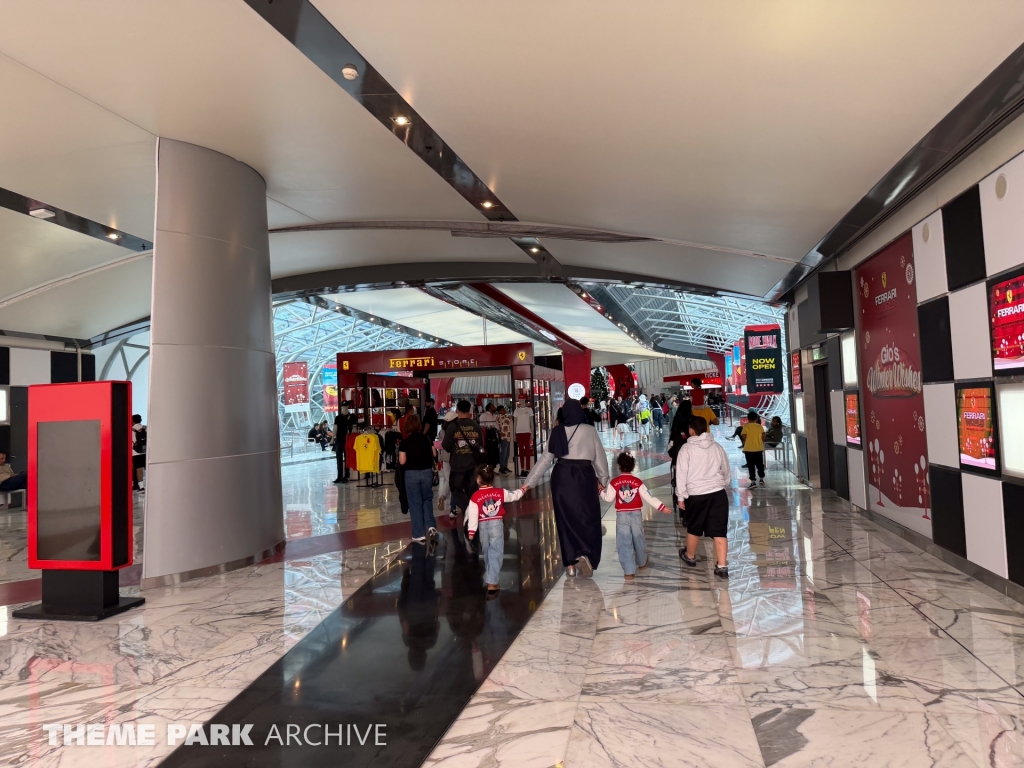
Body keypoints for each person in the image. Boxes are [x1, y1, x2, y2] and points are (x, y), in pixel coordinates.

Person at [524, 400, 609, 577]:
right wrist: (602, 481)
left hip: (562, 478)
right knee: (588, 517)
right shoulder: (590, 430)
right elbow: (600, 458)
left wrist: (529, 482)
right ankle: (587, 554)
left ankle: (570, 565)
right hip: (584, 477)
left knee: (564, 519)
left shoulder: (557, 431)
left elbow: (546, 459)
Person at [676, 416, 732, 578]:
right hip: (718, 494)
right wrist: (724, 483)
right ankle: (722, 566)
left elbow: (681, 474)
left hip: (696, 495)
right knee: (719, 530)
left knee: (694, 527)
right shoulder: (717, 447)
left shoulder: (686, 449)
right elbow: (725, 469)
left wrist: (681, 496)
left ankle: (690, 556)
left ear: (691, 430)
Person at [601, 452, 668, 580]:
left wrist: (600, 491)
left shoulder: (615, 482)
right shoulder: (637, 482)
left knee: (624, 541)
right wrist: (661, 507)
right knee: (638, 538)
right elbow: (648, 497)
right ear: (633, 466)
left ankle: (629, 571)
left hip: (621, 516)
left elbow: (608, 498)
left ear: (619, 466)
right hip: (636, 514)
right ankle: (642, 563)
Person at [466, 465, 526, 596]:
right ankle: (492, 582)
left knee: (487, 552)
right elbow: (513, 496)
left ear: (478, 479)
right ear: (492, 479)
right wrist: (522, 490)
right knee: (496, 552)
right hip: (497, 525)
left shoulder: (475, 496)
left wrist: (471, 532)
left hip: (482, 526)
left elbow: (472, 514)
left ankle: (492, 579)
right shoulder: (500, 492)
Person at [399, 413, 439, 543]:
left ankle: (419, 534)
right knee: (427, 499)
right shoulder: (426, 438)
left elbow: (402, 461)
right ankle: (431, 526)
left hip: (411, 474)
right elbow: (434, 454)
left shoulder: (405, 442)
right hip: (426, 473)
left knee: (415, 503)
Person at [442, 400, 484, 519]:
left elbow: (446, 446)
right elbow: (481, 444)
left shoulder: (453, 426)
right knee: (472, 491)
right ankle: (474, 514)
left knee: (455, 488)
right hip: (472, 464)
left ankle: (467, 509)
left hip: (457, 464)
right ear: (469, 410)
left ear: (457, 410)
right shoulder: (475, 425)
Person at [667, 396, 693, 514]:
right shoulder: (692, 419)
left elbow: (671, 439)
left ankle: (681, 504)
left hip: (677, 454)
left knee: (679, 478)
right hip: (691, 453)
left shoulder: (676, 420)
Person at [436, 410, 458, 514]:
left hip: (445, 457)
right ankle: (445, 498)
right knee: (452, 480)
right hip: (454, 457)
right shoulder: (455, 430)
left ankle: (444, 498)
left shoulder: (442, 431)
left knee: (447, 479)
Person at [740, 412, 767, 488]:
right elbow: (763, 435)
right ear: (756, 419)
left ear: (748, 419)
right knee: (760, 464)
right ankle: (761, 479)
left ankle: (753, 482)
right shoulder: (759, 426)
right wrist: (760, 440)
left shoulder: (746, 426)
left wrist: (747, 441)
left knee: (750, 465)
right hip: (758, 448)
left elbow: (743, 436)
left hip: (748, 449)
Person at [513, 397, 534, 478]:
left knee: (527, 450)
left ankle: (528, 469)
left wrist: (532, 433)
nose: (521, 401)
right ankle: (522, 469)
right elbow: (515, 423)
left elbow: (531, 422)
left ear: (525, 400)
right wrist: (514, 434)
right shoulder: (516, 411)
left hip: (527, 432)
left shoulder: (529, 410)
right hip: (519, 432)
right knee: (521, 451)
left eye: (522, 400)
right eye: (520, 400)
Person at [131, 415, 147, 492]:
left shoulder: (131, 430)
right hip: (146, 451)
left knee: (138, 469)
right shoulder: (146, 428)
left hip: (136, 453)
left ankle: (141, 487)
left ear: (133, 421)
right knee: (147, 469)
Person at [496, 405, 513, 474]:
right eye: (503, 409)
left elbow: (510, 418)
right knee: (503, 453)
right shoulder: (500, 417)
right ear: (499, 411)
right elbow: (498, 426)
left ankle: (505, 466)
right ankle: (502, 467)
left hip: (508, 436)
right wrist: (500, 433)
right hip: (504, 437)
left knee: (507, 453)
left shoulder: (506, 416)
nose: (504, 410)